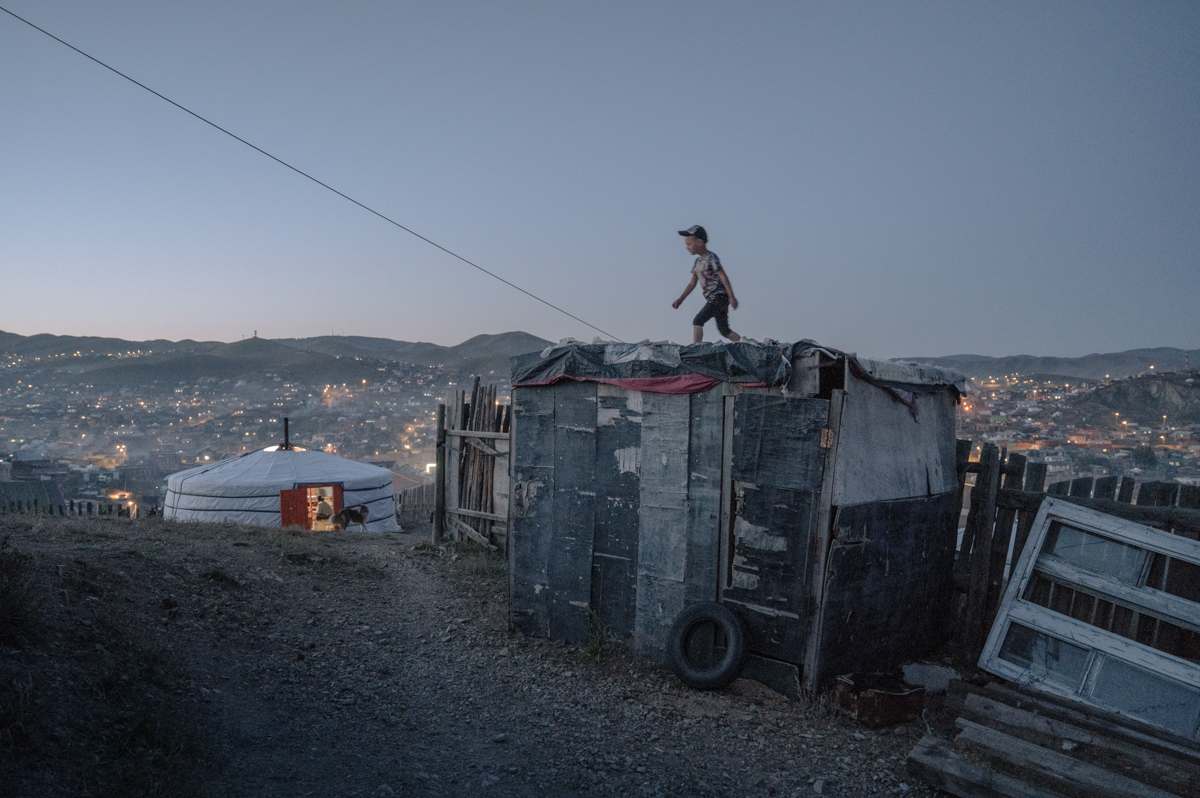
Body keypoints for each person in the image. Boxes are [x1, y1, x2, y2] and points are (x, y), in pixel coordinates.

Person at [671, 225, 741, 344]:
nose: (687, 248)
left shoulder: (711, 257)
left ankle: (696, 347)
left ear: (700, 242)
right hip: (715, 298)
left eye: (689, 244)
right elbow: (692, 283)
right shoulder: (697, 263)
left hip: (719, 296)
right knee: (724, 330)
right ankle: (746, 343)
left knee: (698, 320)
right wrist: (680, 299)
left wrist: (731, 296)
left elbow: (723, 276)